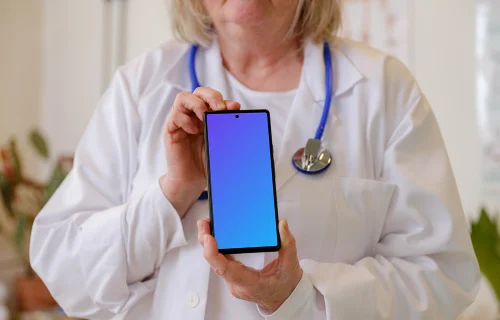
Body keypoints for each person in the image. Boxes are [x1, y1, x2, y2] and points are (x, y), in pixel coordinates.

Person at [30, 0, 480, 319]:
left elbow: (442, 279)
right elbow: (65, 272)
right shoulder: (139, 86)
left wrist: (298, 298)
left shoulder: (383, 88)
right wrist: (174, 193)